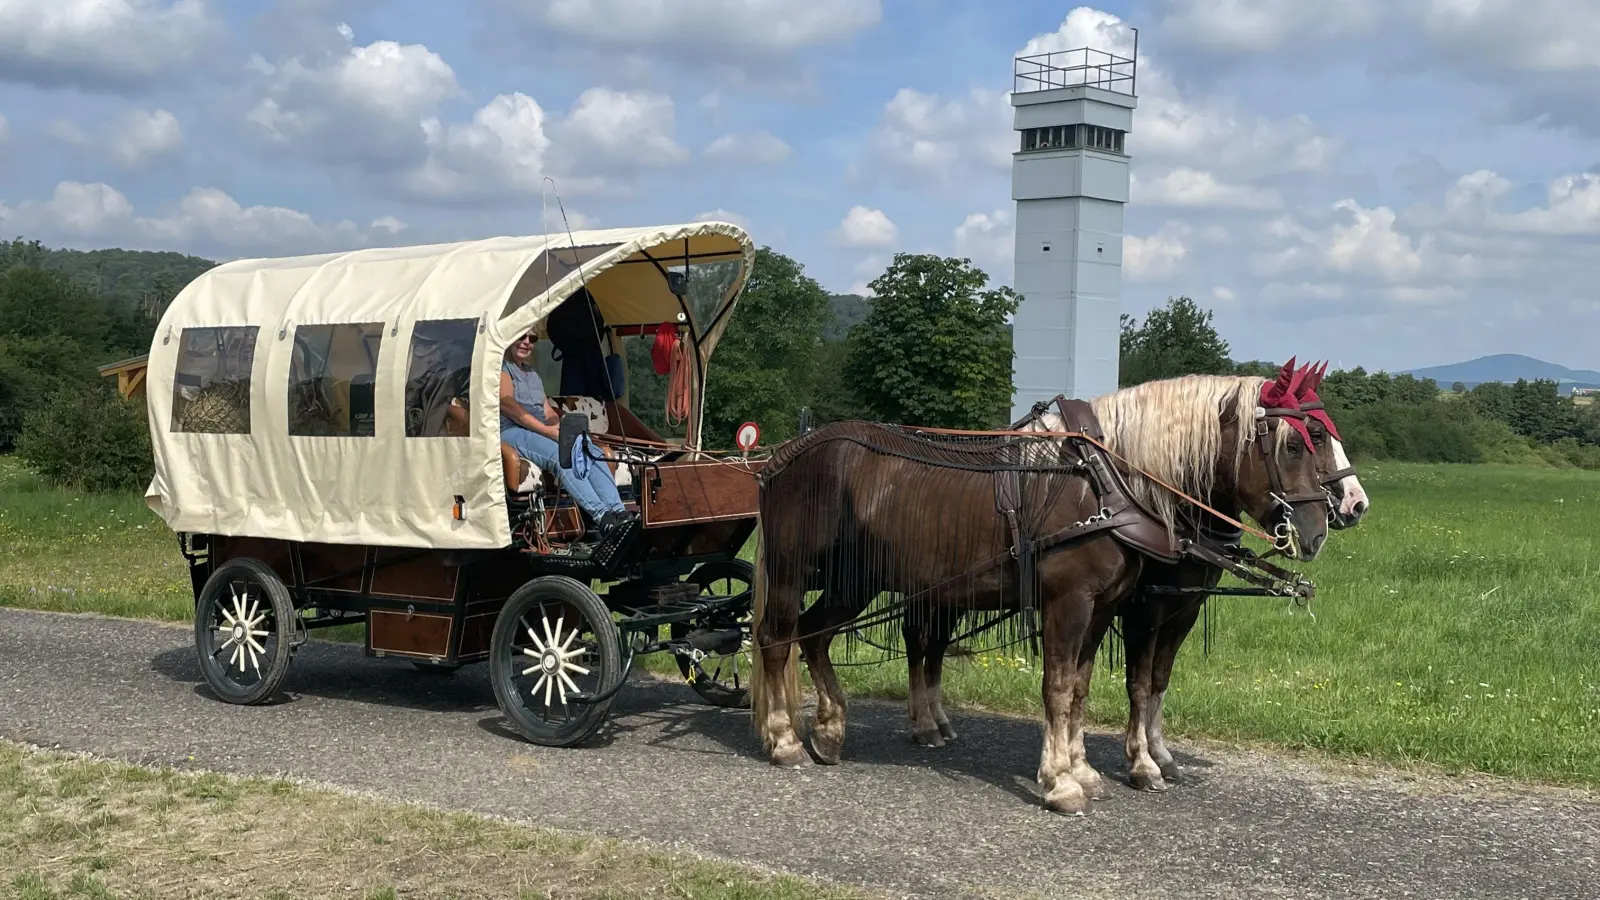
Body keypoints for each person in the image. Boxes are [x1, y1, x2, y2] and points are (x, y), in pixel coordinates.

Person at [499, 326, 636, 538]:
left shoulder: (533, 374)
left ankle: (618, 513)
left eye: (532, 338)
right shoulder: (503, 369)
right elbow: (508, 406)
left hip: (538, 428)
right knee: (562, 457)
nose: (527, 342)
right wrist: (546, 430)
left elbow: (546, 410)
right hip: (513, 431)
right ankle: (603, 518)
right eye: (521, 336)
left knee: (593, 452)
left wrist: (561, 427)